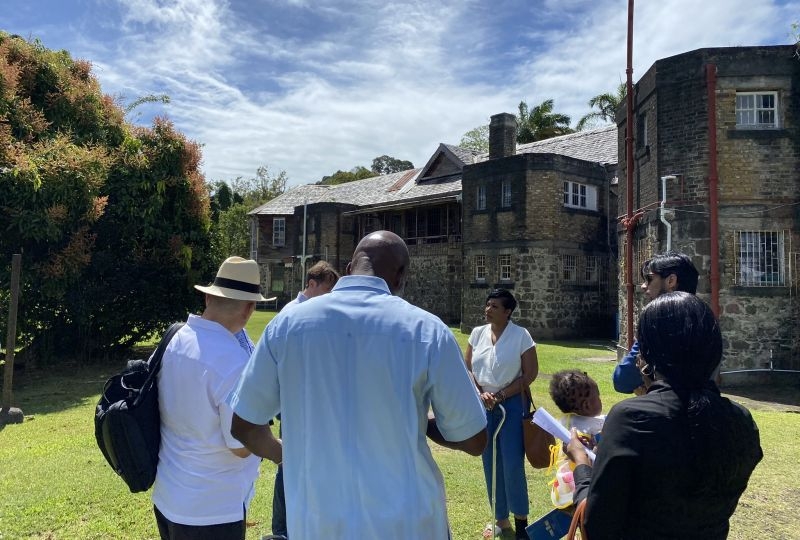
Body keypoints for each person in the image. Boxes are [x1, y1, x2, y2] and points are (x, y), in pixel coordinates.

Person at [228, 230, 488, 538]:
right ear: (401, 275)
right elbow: (473, 439)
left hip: (318, 523)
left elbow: (243, 423)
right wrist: (422, 421)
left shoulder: (287, 325)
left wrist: (288, 454)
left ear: (350, 268)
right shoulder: (427, 330)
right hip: (408, 523)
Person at [566, 292, 763, 540]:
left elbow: (596, 525)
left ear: (647, 355)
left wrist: (581, 465)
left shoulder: (631, 418)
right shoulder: (742, 421)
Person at [152, 256, 282, 540]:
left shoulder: (175, 338)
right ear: (249, 309)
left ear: (209, 298)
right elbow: (240, 445)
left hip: (169, 495)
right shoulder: (233, 362)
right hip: (211, 509)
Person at [270, 260, 339, 539]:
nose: (330, 297)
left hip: (312, 402)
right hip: (294, 403)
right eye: (326, 290)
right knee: (289, 465)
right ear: (311, 284)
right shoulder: (292, 313)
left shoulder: (314, 313)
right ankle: (282, 528)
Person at [466, 288, 538, 540]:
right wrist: (481, 394)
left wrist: (501, 395)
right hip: (484, 406)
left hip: (512, 405)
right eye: (487, 305)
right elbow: (468, 369)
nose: (488, 309)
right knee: (490, 463)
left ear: (508, 312)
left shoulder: (521, 336)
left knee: (511, 464)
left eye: (494, 306)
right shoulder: (476, 334)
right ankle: (500, 520)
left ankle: (521, 524)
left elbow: (529, 374)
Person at [613, 251, 699, 394]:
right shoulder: (704, 318)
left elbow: (623, 379)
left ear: (671, 281)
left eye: (649, 279)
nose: (643, 286)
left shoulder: (656, 322)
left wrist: (650, 387)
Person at [549, 369, 604, 440]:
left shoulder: (561, 424)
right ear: (586, 406)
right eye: (598, 396)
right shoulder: (594, 431)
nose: (600, 399)